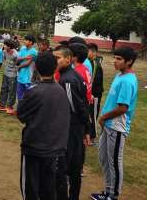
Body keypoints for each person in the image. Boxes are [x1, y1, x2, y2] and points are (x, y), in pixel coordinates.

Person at [17, 52, 70, 200]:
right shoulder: (60, 91)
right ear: (55, 69)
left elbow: (21, 115)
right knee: (48, 187)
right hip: (54, 148)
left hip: (34, 148)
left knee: (31, 188)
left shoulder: (33, 91)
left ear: (37, 69)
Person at [91, 47, 138, 200]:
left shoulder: (127, 80)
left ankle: (113, 195)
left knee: (114, 163)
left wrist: (103, 117)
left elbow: (123, 108)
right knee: (104, 158)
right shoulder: (120, 75)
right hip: (109, 125)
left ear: (129, 61)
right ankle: (108, 190)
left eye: (119, 59)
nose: (115, 62)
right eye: (115, 58)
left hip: (117, 127)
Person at [54, 46, 90, 200]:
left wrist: (86, 129)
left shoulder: (68, 79)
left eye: (58, 58)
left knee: (68, 167)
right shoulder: (68, 75)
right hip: (73, 127)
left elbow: (77, 107)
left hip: (72, 128)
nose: (55, 60)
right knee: (73, 166)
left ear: (68, 59)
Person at [87, 43, 104, 144]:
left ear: (93, 52)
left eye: (87, 51)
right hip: (91, 94)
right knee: (89, 114)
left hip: (95, 95)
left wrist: (92, 94)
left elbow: (95, 81)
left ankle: (92, 137)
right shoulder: (90, 62)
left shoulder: (95, 64)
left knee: (93, 114)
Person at [0, 40, 19, 115]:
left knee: (12, 91)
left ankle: (10, 106)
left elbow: (18, 65)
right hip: (5, 73)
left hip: (13, 75)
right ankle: (2, 105)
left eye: (6, 45)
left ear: (10, 46)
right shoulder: (5, 52)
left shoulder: (16, 55)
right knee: (4, 88)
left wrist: (15, 73)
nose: (4, 46)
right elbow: (4, 58)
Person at [16, 35, 38, 103]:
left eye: (26, 40)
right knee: (19, 96)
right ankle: (20, 109)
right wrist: (24, 58)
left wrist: (19, 67)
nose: (24, 41)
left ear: (31, 42)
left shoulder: (34, 52)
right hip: (20, 76)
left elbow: (27, 64)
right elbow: (17, 60)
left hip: (28, 78)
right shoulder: (23, 48)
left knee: (28, 97)